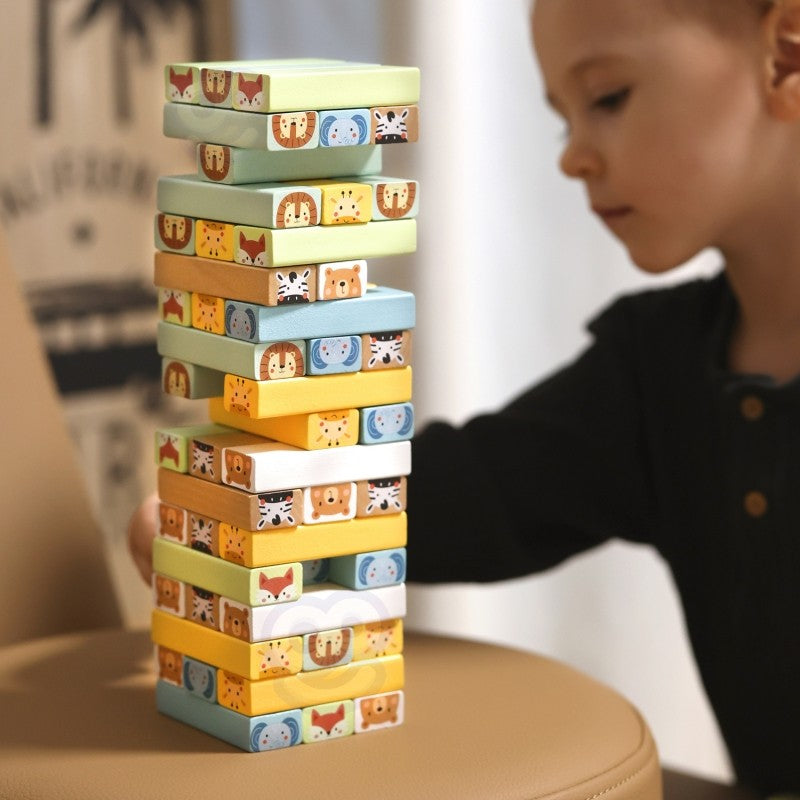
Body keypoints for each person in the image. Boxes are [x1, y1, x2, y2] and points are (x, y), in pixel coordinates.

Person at [128, 0, 800, 793]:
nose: (573, 158)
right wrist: (230, 509)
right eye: (562, 120)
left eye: (609, 97)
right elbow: (465, 495)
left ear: (786, 53)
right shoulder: (656, 375)